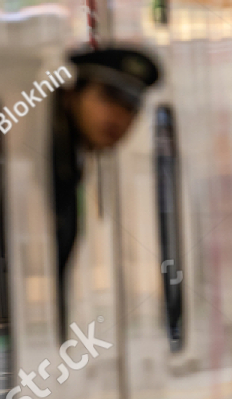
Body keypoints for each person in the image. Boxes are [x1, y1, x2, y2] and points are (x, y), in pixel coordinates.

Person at [51, 45, 162, 294]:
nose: (118, 115)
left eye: (131, 105)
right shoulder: (47, 159)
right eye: (108, 96)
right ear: (72, 95)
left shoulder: (71, 160)